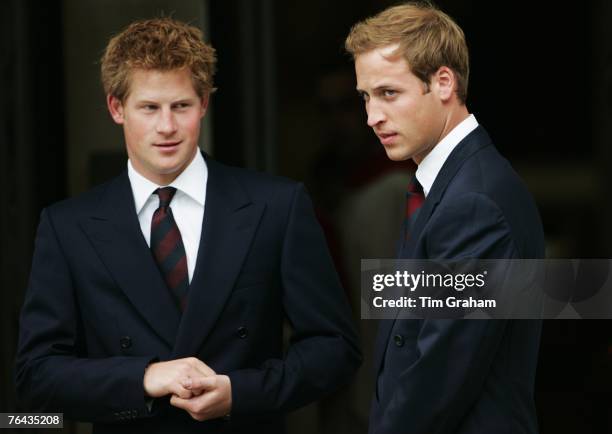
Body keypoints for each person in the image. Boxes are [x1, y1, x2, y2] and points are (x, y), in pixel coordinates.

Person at [15, 17, 361, 434]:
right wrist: (144, 376)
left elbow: (335, 347)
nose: (167, 127)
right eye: (149, 108)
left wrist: (242, 392)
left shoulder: (277, 206)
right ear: (116, 108)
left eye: (180, 106)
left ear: (204, 105)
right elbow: (37, 375)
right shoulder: (67, 226)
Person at [345, 3, 544, 434]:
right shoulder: (452, 185)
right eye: (366, 96)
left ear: (443, 82)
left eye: (388, 93)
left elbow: (439, 375)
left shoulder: (474, 202)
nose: (372, 116)